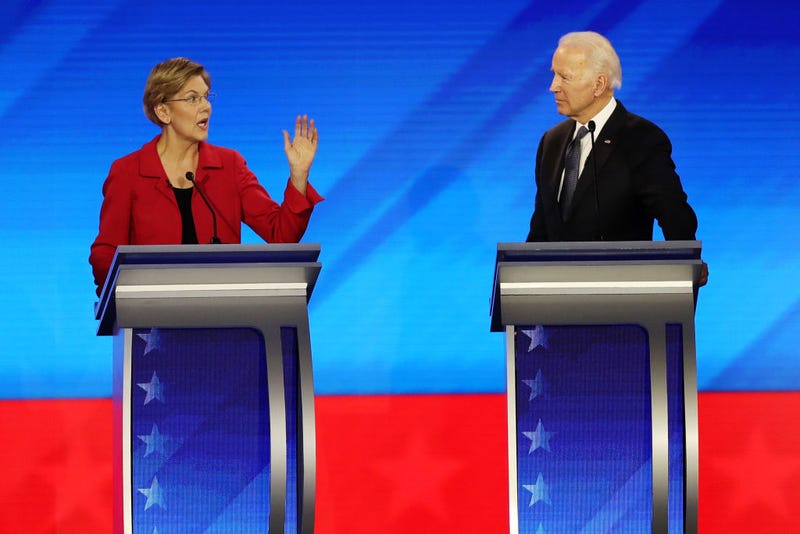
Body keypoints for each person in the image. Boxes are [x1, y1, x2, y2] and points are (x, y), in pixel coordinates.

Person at [89, 57, 323, 295]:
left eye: (206, 97)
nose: (206, 107)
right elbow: (105, 254)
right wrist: (132, 294)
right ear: (163, 111)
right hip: (152, 323)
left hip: (224, 317)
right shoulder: (128, 172)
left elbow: (281, 235)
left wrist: (298, 175)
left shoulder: (229, 166)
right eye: (192, 99)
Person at [526, 31, 707, 284]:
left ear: (598, 85)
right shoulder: (551, 143)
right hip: (557, 302)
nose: (553, 86)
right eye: (553, 74)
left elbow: (675, 216)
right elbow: (541, 231)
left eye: (564, 77)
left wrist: (687, 264)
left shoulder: (641, 139)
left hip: (622, 299)